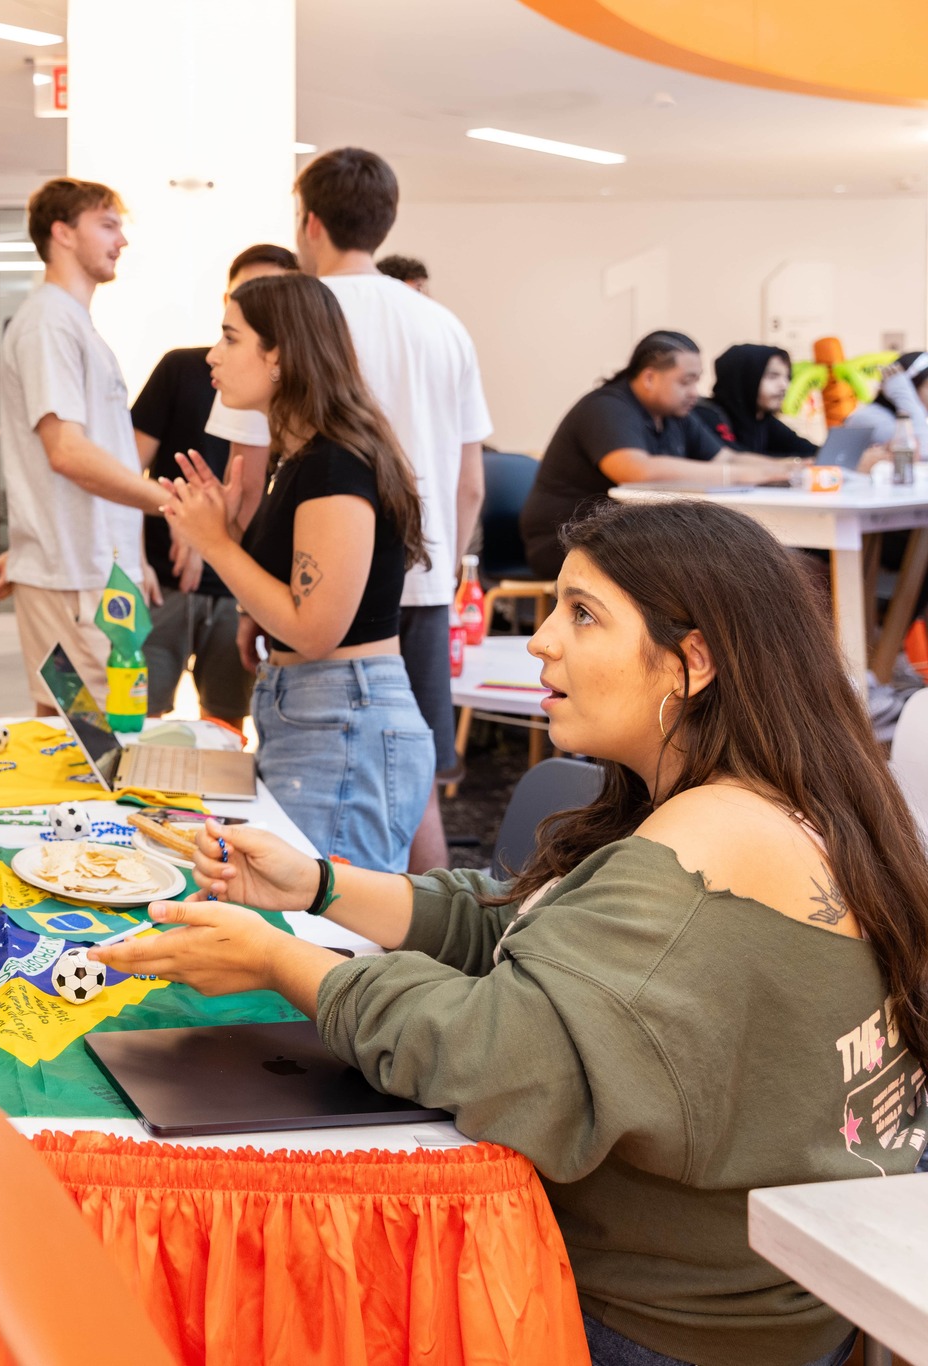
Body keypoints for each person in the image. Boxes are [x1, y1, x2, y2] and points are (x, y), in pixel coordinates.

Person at [95, 498, 928, 1366]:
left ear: (693, 663)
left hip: (653, 1330)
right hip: (770, 1315)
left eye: (584, 614)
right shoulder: (775, 801)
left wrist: (282, 959)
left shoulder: (710, 839)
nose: (541, 641)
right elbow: (531, 914)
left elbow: (495, 1053)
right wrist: (321, 885)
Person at [160, 272, 433, 870]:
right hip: (316, 714)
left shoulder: (334, 465)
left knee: (321, 940)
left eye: (230, 338)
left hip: (342, 721)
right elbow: (297, 598)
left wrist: (215, 545)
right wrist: (230, 539)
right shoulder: (304, 459)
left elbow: (316, 630)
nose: (213, 354)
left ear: (278, 356)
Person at [294, 148, 491, 874]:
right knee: (420, 779)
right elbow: (471, 480)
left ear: (310, 222)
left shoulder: (295, 316)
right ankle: (438, 943)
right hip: (425, 586)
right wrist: (442, 568)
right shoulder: (443, 325)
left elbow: (250, 472)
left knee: (314, 774)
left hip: (321, 590)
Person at [1, 176, 165, 714]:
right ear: (62, 233)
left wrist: (136, 559)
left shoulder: (76, 326)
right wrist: (168, 502)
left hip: (93, 570)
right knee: (95, 735)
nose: (122, 241)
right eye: (108, 224)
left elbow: (102, 453)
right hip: (72, 577)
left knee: (81, 729)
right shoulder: (48, 322)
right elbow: (65, 452)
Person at [131, 245, 295, 727]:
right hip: (165, 580)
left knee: (225, 723)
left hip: (241, 589)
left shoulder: (295, 413)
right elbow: (124, 472)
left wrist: (218, 541)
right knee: (142, 718)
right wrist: (183, 520)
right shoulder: (183, 369)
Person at [520, 331, 794, 579]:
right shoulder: (606, 407)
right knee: (731, 566)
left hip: (628, 536)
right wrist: (747, 475)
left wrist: (788, 468)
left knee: (752, 558)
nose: (694, 393)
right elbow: (635, 470)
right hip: (570, 540)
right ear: (650, 377)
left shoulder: (675, 414)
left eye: (696, 382)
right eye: (686, 382)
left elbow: (727, 458)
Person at [694, 343, 819, 456]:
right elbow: (734, 460)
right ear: (743, 380)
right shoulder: (706, 416)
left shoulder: (762, 418)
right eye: (773, 376)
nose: (785, 385)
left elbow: (809, 451)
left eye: (787, 377)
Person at [840, 349, 928, 449]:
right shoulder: (868, 419)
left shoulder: (917, 422)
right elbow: (921, 449)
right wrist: (902, 393)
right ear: (909, 386)